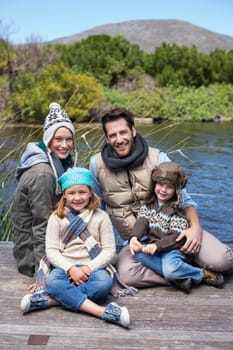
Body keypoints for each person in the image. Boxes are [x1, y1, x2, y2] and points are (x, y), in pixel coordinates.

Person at [89, 107, 233, 288]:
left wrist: (195, 229)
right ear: (107, 139)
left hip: (176, 234)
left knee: (224, 260)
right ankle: (189, 273)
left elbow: (186, 201)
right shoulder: (96, 165)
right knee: (127, 275)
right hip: (138, 243)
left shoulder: (157, 157)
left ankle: (180, 268)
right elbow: (96, 209)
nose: (119, 139)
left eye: (123, 132)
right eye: (113, 135)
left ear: (133, 131)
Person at [20, 167, 130, 328]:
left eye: (82, 192)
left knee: (103, 285)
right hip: (64, 267)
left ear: (91, 192)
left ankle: (51, 300)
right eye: (71, 193)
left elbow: (109, 250)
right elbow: (51, 251)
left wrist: (87, 268)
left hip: (92, 267)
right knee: (53, 282)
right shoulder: (56, 218)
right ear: (64, 194)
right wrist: (70, 268)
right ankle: (103, 312)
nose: (77, 197)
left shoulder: (101, 217)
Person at [130, 161, 224, 293]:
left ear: (176, 190)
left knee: (170, 270)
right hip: (156, 247)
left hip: (173, 249)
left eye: (169, 187)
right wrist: (134, 237)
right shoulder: (149, 204)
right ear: (154, 184)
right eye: (160, 185)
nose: (163, 190)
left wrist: (157, 246)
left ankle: (201, 274)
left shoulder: (178, 210)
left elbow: (175, 238)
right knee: (137, 252)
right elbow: (141, 221)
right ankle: (179, 279)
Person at [12, 102, 78, 278]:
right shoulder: (43, 174)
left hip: (51, 245)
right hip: (32, 257)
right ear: (48, 141)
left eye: (68, 139)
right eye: (58, 139)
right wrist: (43, 272)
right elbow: (42, 226)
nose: (64, 145)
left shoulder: (59, 163)